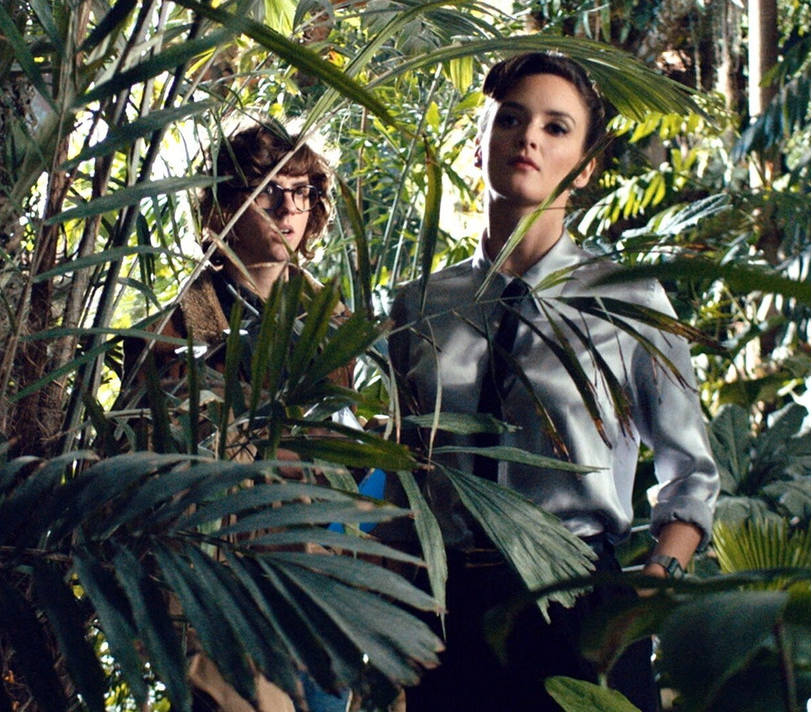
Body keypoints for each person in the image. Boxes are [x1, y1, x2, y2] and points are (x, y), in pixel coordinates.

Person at [386, 52, 720, 711]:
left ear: (586, 166)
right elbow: (403, 468)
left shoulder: (627, 299)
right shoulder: (419, 304)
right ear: (479, 143)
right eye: (511, 119)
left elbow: (693, 474)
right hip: (445, 613)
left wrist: (645, 593)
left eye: (556, 126)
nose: (529, 138)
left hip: (578, 607)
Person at [124, 120, 353, 712]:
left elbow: (349, 451)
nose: (288, 208)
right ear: (224, 203)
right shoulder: (169, 332)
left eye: (301, 191)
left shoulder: (336, 324)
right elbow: (141, 470)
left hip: (324, 580)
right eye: (268, 190)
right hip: (217, 587)